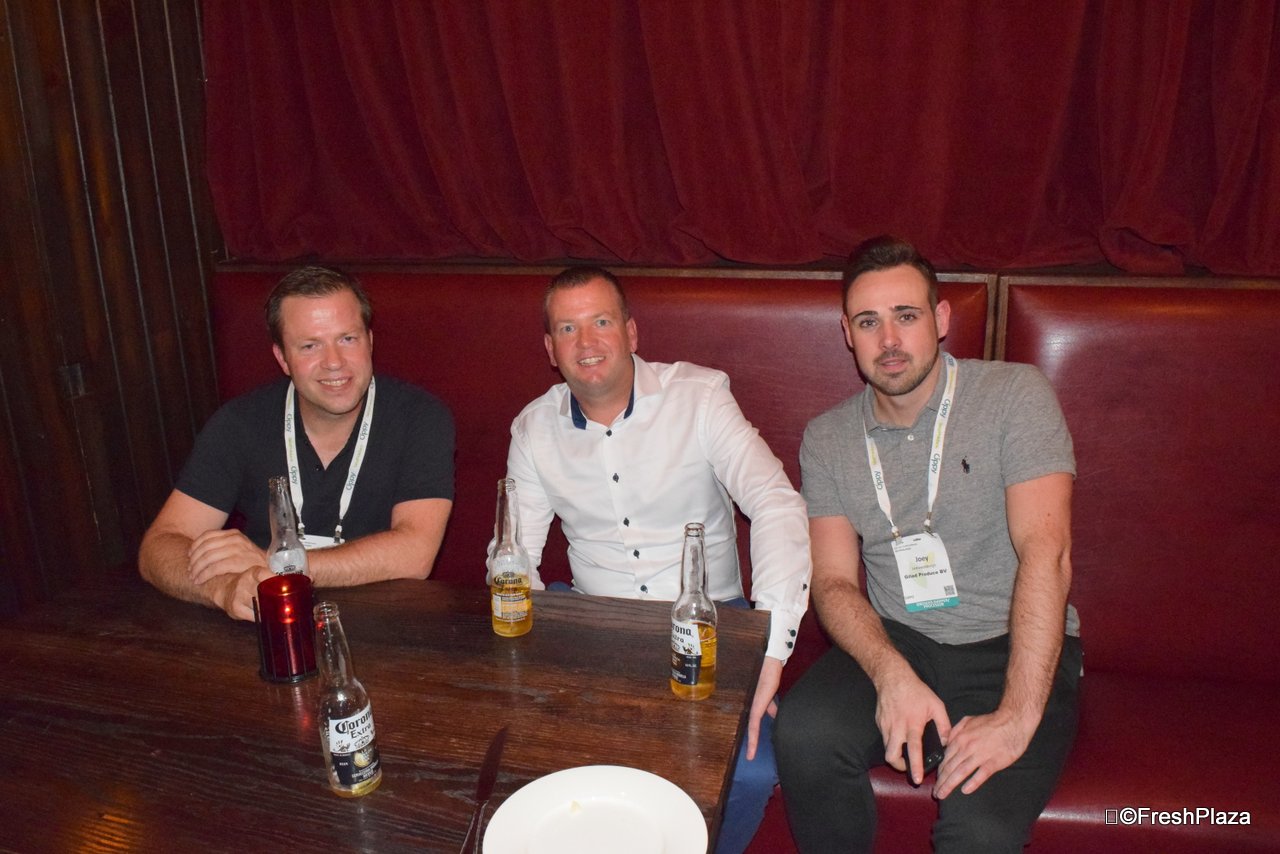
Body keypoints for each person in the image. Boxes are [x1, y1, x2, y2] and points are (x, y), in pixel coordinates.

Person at [773, 237, 1082, 852]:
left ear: (940, 320)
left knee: (980, 831)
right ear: (847, 334)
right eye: (868, 322)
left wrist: (1017, 717)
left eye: (906, 316)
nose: (889, 339)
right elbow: (832, 581)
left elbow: (1046, 553)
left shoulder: (1015, 396)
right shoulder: (828, 438)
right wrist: (891, 675)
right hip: (901, 638)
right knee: (804, 735)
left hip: (1012, 638)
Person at [495, 266, 812, 854]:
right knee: (539, 752)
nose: (586, 342)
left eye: (601, 322)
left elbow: (776, 503)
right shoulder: (534, 428)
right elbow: (513, 553)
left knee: (748, 771)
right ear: (550, 350)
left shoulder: (701, 397)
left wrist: (769, 652)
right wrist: (541, 650)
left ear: (632, 332)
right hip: (596, 625)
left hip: (711, 623)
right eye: (568, 328)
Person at [140, 266, 455, 620]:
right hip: (269, 624)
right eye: (310, 346)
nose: (334, 362)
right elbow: (159, 545)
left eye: (347, 339)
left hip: (388, 627)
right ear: (282, 358)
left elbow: (415, 553)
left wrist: (278, 565)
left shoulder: (419, 417)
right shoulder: (240, 423)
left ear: (370, 341)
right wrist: (223, 589)